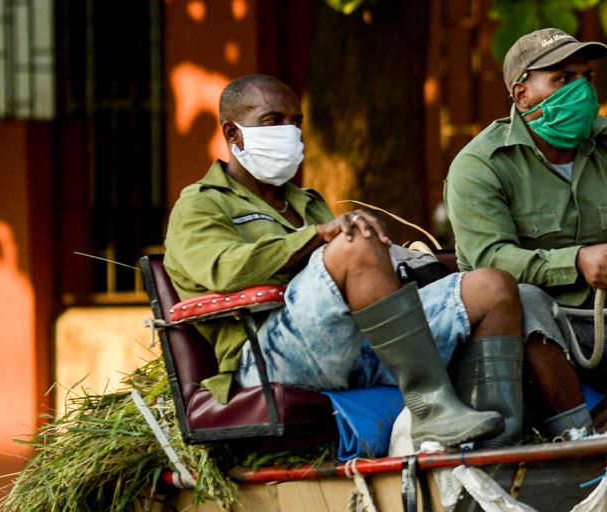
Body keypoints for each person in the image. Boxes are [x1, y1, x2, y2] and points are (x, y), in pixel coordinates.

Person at [164, 74, 548, 449]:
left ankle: (499, 435)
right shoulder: (201, 202)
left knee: (492, 287)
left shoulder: (306, 201)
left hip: (355, 342)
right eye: (272, 121)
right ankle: (432, 406)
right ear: (232, 133)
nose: (289, 132)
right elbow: (224, 269)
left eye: (295, 122)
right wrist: (319, 235)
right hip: (266, 356)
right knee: (355, 238)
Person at [445, 27, 607, 438]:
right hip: (518, 331)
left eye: (586, 77)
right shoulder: (480, 165)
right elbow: (489, 260)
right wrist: (577, 261)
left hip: (603, 324)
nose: (582, 89)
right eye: (563, 79)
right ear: (521, 95)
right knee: (526, 299)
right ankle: (577, 441)